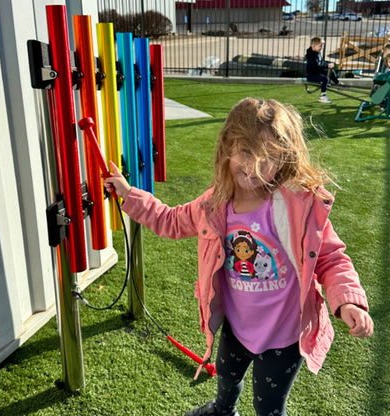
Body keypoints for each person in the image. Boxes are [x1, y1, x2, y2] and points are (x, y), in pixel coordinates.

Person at [103, 98, 374, 416]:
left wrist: (349, 301)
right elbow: (171, 220)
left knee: (268, 408)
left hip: (284, 338)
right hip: (236, 327)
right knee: (227, 383)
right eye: (246, 151)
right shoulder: (214, 203)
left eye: (269, 156)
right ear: (227, 148)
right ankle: (222, 410)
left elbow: (331, 259)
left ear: (284, 157)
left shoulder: (296, 207)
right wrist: (129, 194)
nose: (255, 166)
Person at [306, 37, 342, 103]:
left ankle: (337, 83)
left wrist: (328, 65)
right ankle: (322, 96)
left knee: (331, 71)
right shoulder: (311, 56)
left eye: (322, 46)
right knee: (324, 78)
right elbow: (316, 66)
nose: (321, 48)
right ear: (313, 46)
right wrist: (327, 66)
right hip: (312, 75)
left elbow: (321, 63)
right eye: (320, 46)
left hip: (317, 72)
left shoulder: (317, 53)